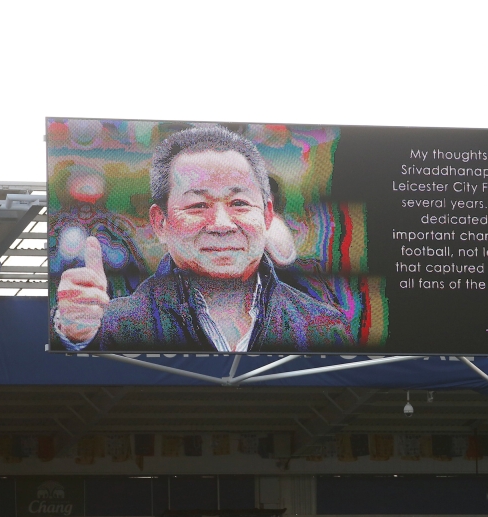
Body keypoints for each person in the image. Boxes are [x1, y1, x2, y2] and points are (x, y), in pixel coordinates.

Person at [52, 124, 352, 352]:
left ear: (267, 215)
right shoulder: (118, 326)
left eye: (239, 203)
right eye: (198, 205)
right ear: (160, 222)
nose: (221, 224)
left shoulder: (324, 327)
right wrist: (76, 330)